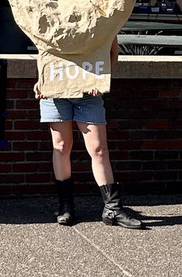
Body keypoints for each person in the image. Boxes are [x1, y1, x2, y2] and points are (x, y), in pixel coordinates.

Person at [36, 37, 144, 229]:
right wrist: (42, 80)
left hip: (88, 94)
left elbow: (112, 52)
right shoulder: (52, 13)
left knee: (99, 149)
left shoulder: (96, 17)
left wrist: (100, 78)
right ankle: (65, 206)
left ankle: (112, 208)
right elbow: (43, 51)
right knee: (60, 146)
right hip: (56, 91)